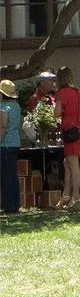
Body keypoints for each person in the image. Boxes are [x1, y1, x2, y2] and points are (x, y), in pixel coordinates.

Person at [54, 66, 80, 210]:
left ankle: (76, 196)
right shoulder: (76, 92)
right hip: (78, 129)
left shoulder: (61, 93)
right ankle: (66, 196)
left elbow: (57, 113)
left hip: (69, 131)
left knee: (73, 164)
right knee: (68, 164)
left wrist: (61, 109)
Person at [0, 79, 21, 214]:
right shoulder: (17, 106)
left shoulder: (3, 107)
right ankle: (14, 204)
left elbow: (3, 125)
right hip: (15, 143)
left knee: (5, 175)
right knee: (12, 175)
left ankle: (8, 205)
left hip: (5, 144)